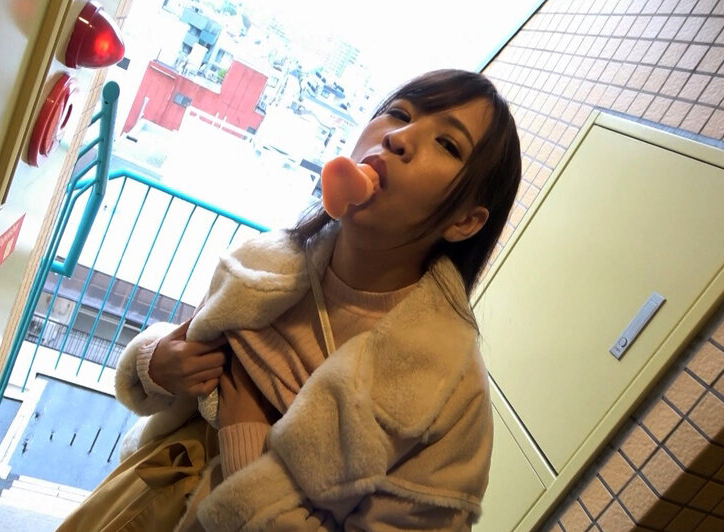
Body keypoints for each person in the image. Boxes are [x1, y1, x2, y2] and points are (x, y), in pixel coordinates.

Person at [58, 68, 521, 531]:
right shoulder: (265, 260)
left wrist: (243, 438)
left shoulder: (451, 397)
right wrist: (157, 364)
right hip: (133, 503)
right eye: (399, 113)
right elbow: (185, 349)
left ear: (465, 221)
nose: (398, 138)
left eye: (448, 144)